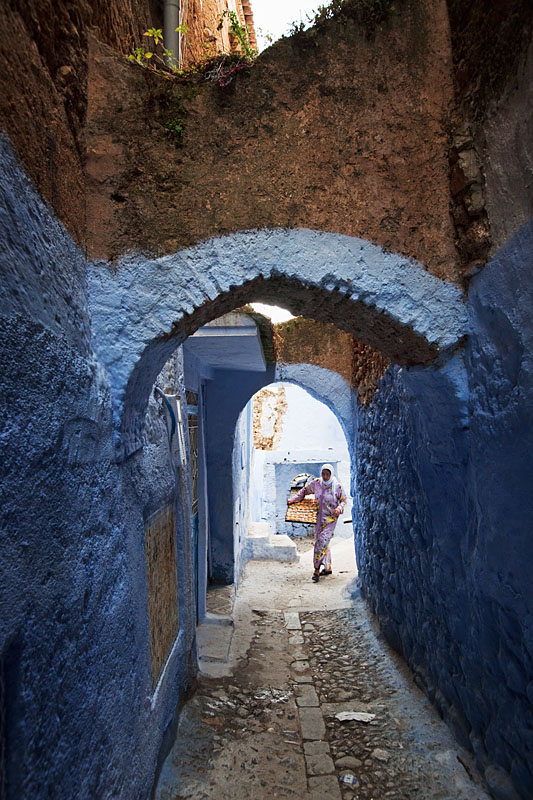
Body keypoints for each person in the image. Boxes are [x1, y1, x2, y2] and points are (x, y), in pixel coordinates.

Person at [287, 463, 347, 582]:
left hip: (331, 520)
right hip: (319, 520)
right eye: (323, 474)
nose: (325, 476)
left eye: (327, 474)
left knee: (321, 541)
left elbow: (343, 500)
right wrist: (294, 499)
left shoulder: (337, 487)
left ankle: (316, 569)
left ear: (331, 474)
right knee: (324, 543)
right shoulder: (317, 483)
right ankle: (328, 567)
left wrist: (339, 509)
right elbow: (304, 491)